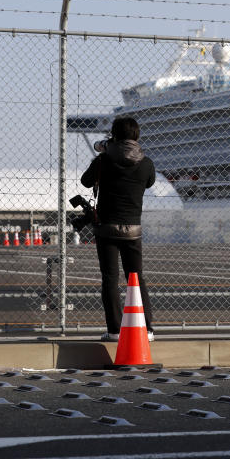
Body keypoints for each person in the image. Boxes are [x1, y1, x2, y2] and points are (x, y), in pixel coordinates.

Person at [80, 116, 156, 342]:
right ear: (137, 135)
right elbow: (150, 182)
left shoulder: (103, 160)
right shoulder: (146, 163)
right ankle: (147, 329)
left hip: (107, 228)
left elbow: (86, 181)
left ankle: (114, 330)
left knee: (110, 279)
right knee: (136, 278)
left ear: (113, 134)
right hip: (133, 228)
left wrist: (103, 153)